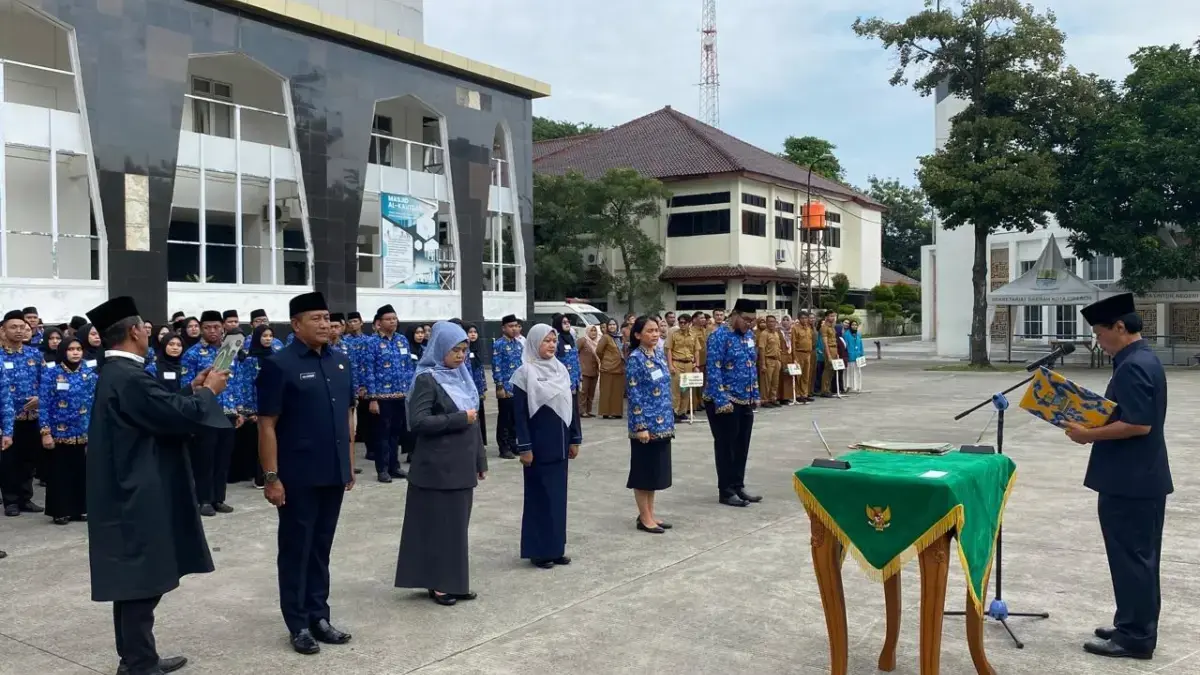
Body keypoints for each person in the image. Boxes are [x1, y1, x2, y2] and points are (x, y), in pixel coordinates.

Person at [84, 295, 231, 675]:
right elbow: (174, 416)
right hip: (136, 491)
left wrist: (192, 389)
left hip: (128, 486)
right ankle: (139, 664)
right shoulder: (127, 376)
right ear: (135, 331)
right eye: (144, 328)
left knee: (135, 580)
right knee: (142, 580)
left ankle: (136, 657)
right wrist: (209, 392)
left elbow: (157, 409)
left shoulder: (119, 373)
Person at [1064, 293, 1171, 660]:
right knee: (1134, 558)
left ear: (1120, 327)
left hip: (1131, 480)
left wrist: (1088, 434)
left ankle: (1136, 637)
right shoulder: (1140, 359)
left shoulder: (1133, 366)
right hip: (1137, 477)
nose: (1098, 341)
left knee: (1133, 560)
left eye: (1099, 333)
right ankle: (1130, 623)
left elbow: (1138, 424)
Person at [256, 292, 356, 655]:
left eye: (327, 317)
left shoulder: (340, 361)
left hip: (332, 472)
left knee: (320, 548)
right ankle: (297, 623)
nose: (325, 324)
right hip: (297, 476)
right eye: (316, 318)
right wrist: (271, 477)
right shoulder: (279, 364)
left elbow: (348, 416)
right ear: (296, 325)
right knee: (296, 549)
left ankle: (319, 615)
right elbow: (266, 424)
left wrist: (348, 463)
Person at [395, 321, 487, 605]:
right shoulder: (427, 379)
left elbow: (475, 422)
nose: (460, 355)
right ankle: (439, 583)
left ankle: (455, 581)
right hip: (437, 466)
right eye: (454, 350)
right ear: (439, 348)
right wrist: (458, 419)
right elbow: (418, 421)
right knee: (439, 526)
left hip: (461, 463)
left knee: (457, 527)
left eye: (464, 350)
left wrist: (480, 460)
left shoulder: (462, 376)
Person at [513, 324, 581, 569]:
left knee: (557, 499)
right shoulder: (524, 374)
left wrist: (575, 438)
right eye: (546, 341)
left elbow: (571, 405)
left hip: (560, 444)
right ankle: (539, 551)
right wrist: (524, 447)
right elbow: (519, 415)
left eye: (554, 340)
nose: (552, 345)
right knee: (539, 498)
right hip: (538, 447)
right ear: (534, 343)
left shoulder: (561, 369)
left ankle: (556, 548)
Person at [180, 311, 244, 516]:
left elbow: (236, 381)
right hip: (206, 412)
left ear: (223, 327)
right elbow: (187, 384)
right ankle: (204, 500)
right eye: (207, 327)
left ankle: (218, 498)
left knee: (223, 459)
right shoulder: (193, 354)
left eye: (216, 327)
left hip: (228, 412)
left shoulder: (230, 351)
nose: (212, 331)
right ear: (201, 329)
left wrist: (239, 409)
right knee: (205, 458)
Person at [703, 299, 762, 507]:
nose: (750, 324)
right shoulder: (719, 336)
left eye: (753, 321)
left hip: (745, 398)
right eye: (746, 320)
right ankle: (726, 491)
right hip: (724, 399)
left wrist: (755, 393)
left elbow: (751, 366)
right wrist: (721, 400)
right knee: (726, 446)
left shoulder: (749, 336)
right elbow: (713, 369)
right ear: (734, 315)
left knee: (742, 445)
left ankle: (738, 485)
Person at [39, 335, 97, 525]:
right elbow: (44, 404)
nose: (75, 353)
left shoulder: (89, 373)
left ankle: (82, 509)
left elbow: (95, 402)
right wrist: (45, 432)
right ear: (63, 352)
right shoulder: (51, 373)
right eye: (71, 349)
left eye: (78, 349)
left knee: (82, 473)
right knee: (60, 474)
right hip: (59, 433)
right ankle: (61, 511)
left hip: (83, 432)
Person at [625, 316, 674, 534]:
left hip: (662, 423)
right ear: (637, 335)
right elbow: (634, 395)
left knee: (655, 473)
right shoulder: (635, 359)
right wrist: (640, 426)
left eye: (656, 330)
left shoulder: (659, 354)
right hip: (646, 425)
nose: (655, 334)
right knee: (644, 473)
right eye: (649, 331)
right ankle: (644, 518)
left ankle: (650, 513)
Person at [1, 309, 45, 517]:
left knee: (28, 459)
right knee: (9, 460)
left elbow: (46, 381)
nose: (18, 331)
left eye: (22, 327)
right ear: (3, 330)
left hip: (32, 416)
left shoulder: (34, 354)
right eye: (13, 327)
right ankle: (10, 500)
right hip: (8, 419)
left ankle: (25, 498)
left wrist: (40, 398)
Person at [363, 304, 414, 482]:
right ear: (379, 323)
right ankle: (382, 469)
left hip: (400, 395)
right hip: (381, 398)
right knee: (382, 435)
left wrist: (409, 391)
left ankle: (394, 466)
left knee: (395, 434)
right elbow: (368, 371)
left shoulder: (402, 340)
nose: (393, 322)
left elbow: (409, 367)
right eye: (388, 319)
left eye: (394, 318)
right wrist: (372, 398)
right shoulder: (372, 342)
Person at [236, 325, 275, 489]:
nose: (268, 339)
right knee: (259, 442)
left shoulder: (276, 357)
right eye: (264, 336)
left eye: (270, 336)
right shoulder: (250, 360)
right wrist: (251, 410)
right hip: (257, 407)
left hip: (274, 405)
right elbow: (246, 385)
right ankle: (259, 477)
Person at [491, 315, 523, 459]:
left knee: (516, 418)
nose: (514, 329)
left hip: (518, 387)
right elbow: (496, 365)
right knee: (505, 419)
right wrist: (499, 386)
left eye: (516, 326)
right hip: (505, 388)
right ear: (503, 328)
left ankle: (513, 444)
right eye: (511, 326)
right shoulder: (499, 344)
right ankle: (503, 447)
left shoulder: (518, 344)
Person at [595, 319, 625, 419]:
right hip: (608, 368)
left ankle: (616, 412)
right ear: (607, 326)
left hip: (619, 367)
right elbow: (598, 351)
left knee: (617, 391)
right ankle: (606, 412)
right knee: (606, 391)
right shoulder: (606, 337)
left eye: (614, 324)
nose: (612, 326)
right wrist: (606, 359)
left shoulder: (619, 337)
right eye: (610, 325)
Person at [551, 313, 581, 404]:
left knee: (574, 406)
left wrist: (580, 376)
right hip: (563, 381)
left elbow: (576, 358)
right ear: (558, 324)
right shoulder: (556, 340)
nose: (567, 324)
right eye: (564, 322)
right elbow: (552, 360)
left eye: (568, 322)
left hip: (574, 379)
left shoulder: (571, 338)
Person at [466, 324, 488, 446]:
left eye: (475, 332)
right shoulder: (464, 350)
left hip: (478, 388)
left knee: (480, 416)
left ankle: (480, 443)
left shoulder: (478, 348)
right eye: (470, 332)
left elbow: (481, 370)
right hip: (468, 389)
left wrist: (483, 388)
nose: (473, 334)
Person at [756, 315, 783, 408]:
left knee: (775, 382)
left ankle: (773, 398)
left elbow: (778, 347)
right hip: (768, 359)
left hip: (776, 360)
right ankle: (765, 400)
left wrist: (779, 360)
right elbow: (762, 349)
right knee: (766, 382)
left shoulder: (776, 333)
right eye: (769, 321)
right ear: (767, 323)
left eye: (773, 321)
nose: (771, 323)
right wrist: (763, 364)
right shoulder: (764, 334)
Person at [791, 312, 815, 404]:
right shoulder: (795, 328)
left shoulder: (809, 328)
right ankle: (798, 395)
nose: (804, 320)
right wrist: (795, 357)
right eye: (802, 318)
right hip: (799, 353)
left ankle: (804, 394)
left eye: (806, 318)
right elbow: (793, 343)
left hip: (808, 354)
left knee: (806, 375)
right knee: (798, 375)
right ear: (799, 319)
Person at [578, 324, 600, 418]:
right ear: (587, 331)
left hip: (595, 371)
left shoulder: (598, 342)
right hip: (584, 370)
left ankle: (588, 410)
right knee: (584, 392)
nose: (593, 332)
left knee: (591, 392)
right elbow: (575, 352)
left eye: (595, 331)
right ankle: (582, 411)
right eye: (591, 330)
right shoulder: (583, 340)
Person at [817, 310, 838, 397]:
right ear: (826, 317)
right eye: (831, 316)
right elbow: (825, 343)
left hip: (834, 348)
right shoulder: (824, 327)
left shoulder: (832, 327)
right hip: (829, 349)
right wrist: (829, 355)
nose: (833, 318)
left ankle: (828, 389)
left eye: (834, 316)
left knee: (832, 370)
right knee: (827, 369)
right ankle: (824, 390)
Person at [777, 316, 795, 404]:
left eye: (787, 320)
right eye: (783, 320)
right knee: (781, 376)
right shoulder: (778, 331)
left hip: (790, 356)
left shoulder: (792, 331)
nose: (785, 322)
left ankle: (787, 396)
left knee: (788, 376)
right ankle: (780, 397)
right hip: (781, 356)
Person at [845, 320, 864, 392]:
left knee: (858, 372)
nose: (854, 326)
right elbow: (845, 346)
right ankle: (848, 386)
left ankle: (858, 387)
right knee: (849, 372)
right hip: (850, 356)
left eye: (856, 325)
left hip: (858, 356)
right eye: (853, 325)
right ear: (850, 326)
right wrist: (847, 355)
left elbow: (861, 345)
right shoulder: (846, 334)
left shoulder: (858, 334)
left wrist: (862, 354)